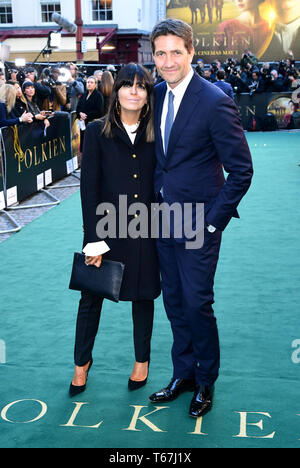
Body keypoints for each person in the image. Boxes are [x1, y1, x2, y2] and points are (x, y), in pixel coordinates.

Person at [148, 19, 253, 418]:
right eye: (161, 53)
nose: (169, 60)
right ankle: (183, 374)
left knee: (196, 302)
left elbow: (242, 170)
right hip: (161, 218)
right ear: (153, 56)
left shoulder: (214, 100)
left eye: (177, 51)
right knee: (174, 301)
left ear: (191, 51)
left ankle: (206, 381)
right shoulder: (155, 95)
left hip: (198, 222)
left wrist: (212, 222)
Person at [69, 63, 161, 397]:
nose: (134, 91)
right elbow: (89, 187)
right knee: (91, 298)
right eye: (127, 85)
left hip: (146, 229)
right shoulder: (96, 132)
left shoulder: (157, 131)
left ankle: (142, 361)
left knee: (144, 296)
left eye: (141, 86)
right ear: (117, 92)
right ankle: (81, 363)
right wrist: (93, 238)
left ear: (149, 94)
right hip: (105, 228)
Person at [76, 75, 104, 151]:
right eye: (88, 82)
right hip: (83, 124)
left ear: (95, 84)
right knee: (83, 144)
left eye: (91, 82)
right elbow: (78, 108)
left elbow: (99, 111)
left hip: (93, 124)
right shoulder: (84, 95)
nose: (89, 84)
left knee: (92, 146)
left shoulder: (98, 95)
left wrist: (87, 115)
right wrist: (80, 114)